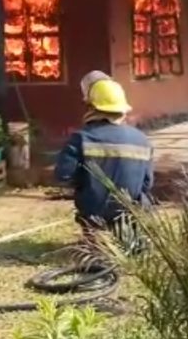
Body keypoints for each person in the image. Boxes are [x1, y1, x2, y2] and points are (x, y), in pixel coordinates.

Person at [54, 79, 153, 246]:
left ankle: (96, 240)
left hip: (95, 214)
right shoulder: (142, 140)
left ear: (92, 108)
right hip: (129, 213)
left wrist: (84, 180)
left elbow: (62, 175)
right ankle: (128, 238)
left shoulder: (81, 138)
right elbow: (147, 184)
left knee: (97, 243)